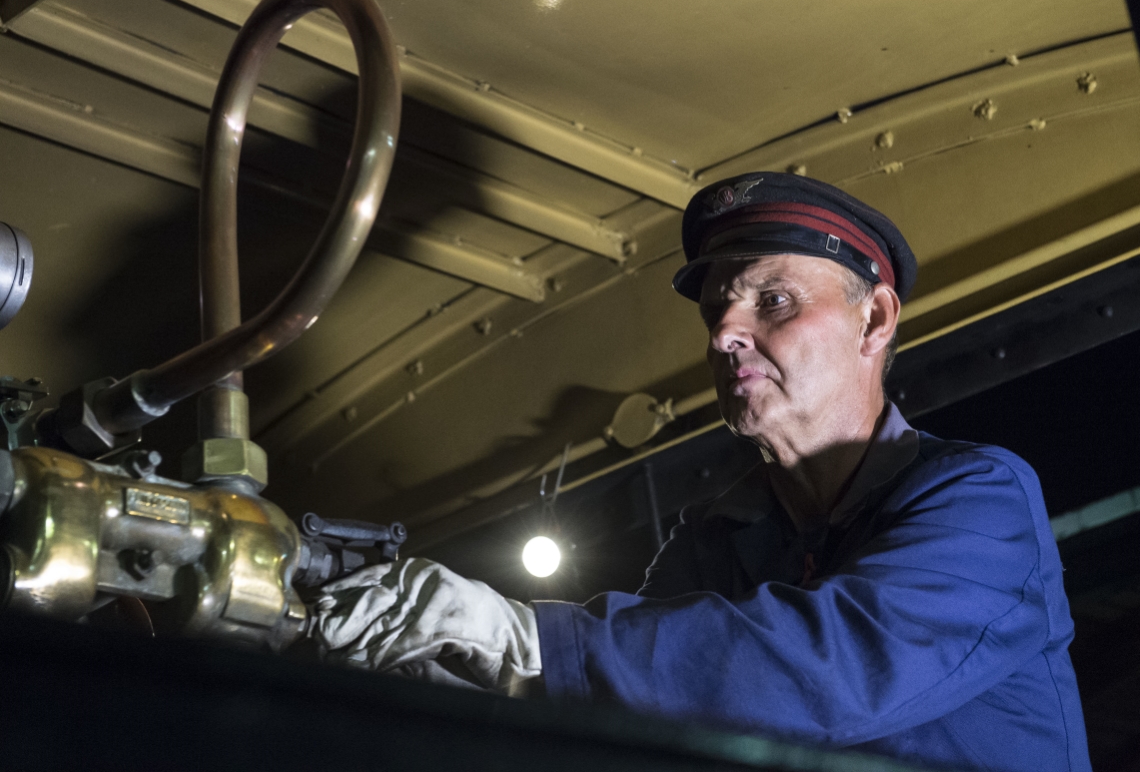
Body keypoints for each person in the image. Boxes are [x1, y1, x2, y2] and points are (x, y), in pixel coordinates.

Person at [309, 172, 1092, 771]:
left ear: (875, 319)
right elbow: (631, 719)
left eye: (773, 299)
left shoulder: (979, 498)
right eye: (716, 308)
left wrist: (522, 639)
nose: (724, 334)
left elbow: (839, 665)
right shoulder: (718, 542)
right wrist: (442, 675)